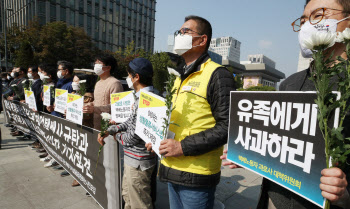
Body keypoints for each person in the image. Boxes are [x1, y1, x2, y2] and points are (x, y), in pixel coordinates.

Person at [221, 1, 350, 208]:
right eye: (303, 20)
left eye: (319, 15)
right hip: (273, 199)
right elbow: (277, 146)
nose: (308, 25)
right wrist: (247, 153)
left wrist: (343, 194)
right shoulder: (290, 83)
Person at [146, 15, 236, 209]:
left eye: (186, 31)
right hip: (171, 168)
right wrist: (155, 138)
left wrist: (182, 147)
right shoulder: (178, 77)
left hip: (197, 174)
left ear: (202, 40)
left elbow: (227, 126)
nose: (180, 35)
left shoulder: (218, 74)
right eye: (179, 32)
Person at [98, 58, 157, 209]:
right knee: (129, 198)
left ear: (136, 77)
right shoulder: (140, 97)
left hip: (138, 164)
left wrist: (114, 136)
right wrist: (112, 129)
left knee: (139, 203)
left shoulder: (146, 100)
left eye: (129, 75)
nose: (127, 79)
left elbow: (132, 137)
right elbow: (130, 122)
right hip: (133, 161)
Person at [83, 54, 123, 130]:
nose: (96, 66)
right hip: (96, 125)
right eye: (95, 63)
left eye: (99, 63)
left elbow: (116, 107)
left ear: (108, 67)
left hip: (108, 128)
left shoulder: (115, 83)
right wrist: (89, 105)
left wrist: (94, 109)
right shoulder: (98, 83)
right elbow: (97, 101)